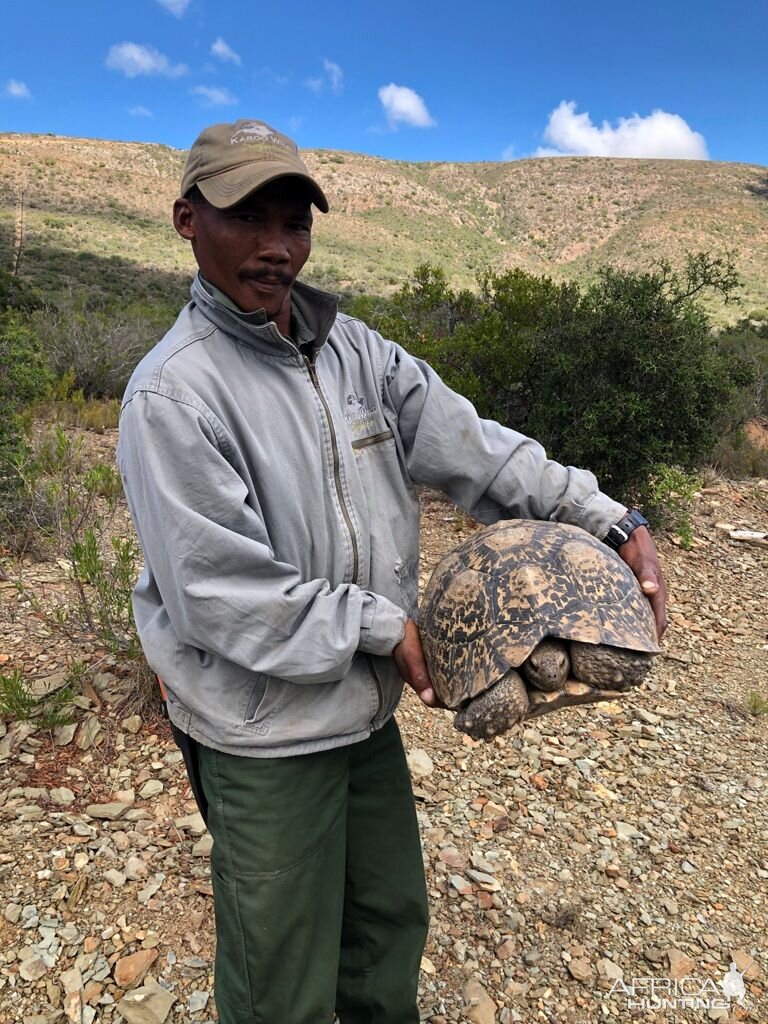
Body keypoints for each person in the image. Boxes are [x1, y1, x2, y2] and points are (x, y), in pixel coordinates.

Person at [117, 119, 667, 1024]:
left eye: (294, 222)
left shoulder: (357, 354)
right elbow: (221, 598)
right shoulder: (172, 394)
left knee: (384, 929)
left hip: (361, 711)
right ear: (187, 219)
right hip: (261, 731)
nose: (276, 246)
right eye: (247, 217)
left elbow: (477, 451)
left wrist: (609, 518)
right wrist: (386, 628)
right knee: (278, 980)